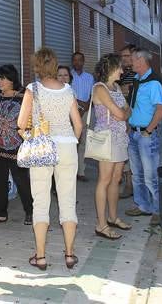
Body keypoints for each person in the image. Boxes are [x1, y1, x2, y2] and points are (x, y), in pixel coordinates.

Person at [17, 48, 84, 271]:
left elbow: (21, 123)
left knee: (41, 202)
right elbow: (78, 125)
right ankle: (70, 255)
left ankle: (41, 256)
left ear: (37, 66)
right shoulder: (67, 89)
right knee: (67, 201)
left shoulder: (32, 89)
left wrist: (29, 138)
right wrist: (70, 141)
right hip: (67, 148)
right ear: (55, 66)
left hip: (42, 149)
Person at [0, 65, 33, 226]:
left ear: (12, 79)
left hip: (18, 145)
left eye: (3, 78)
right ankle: (1, 213)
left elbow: (31, 117)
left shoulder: (24, 95)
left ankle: (30, 212)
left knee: (21, 180)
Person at [90, 53, 133, 240]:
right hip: (107, 139)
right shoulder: (99, 88)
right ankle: (101, 224)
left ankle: (113, 217)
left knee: (116, 179)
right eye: (119, 68)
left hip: (120, 138)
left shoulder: (115, 87)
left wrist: (122, 112)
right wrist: (122, 112)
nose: (122, 71)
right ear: (111, 69)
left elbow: (127, 111)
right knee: (105, 180)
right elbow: (121, 113)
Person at [125, 49, 162, 225]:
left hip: (146, 135)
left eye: (132, 59)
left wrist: (148, 130)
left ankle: (158, 209)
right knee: (137, 174)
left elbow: (161, 110)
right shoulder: (137, 80)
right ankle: (143, 206)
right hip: (134, 133)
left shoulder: (154, 83)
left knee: (150, 176)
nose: (129, 62)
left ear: (141, 60)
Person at [117, 44, 138, 198]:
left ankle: (132, 185)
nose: (123, 59)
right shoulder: (123, 73)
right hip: (122, 115)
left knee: (130, 151)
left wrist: (128, 89)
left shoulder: (138, 74)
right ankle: (128, 183)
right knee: (125, 151)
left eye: (126, 56)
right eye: (122, 56)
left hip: (132, 117)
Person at [71, 52, 95, 182]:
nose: (77, 62)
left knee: (84, 142)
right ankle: (71, 171)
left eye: (80, 60)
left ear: (83, 61)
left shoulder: (89, 77)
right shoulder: (68, 76)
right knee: (73, 142)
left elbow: (93, 93)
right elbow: (68, 93)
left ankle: (81, 172)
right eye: (75, 60)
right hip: (72, 112)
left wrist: (87, 105)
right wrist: (81, 104)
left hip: (86, 112)